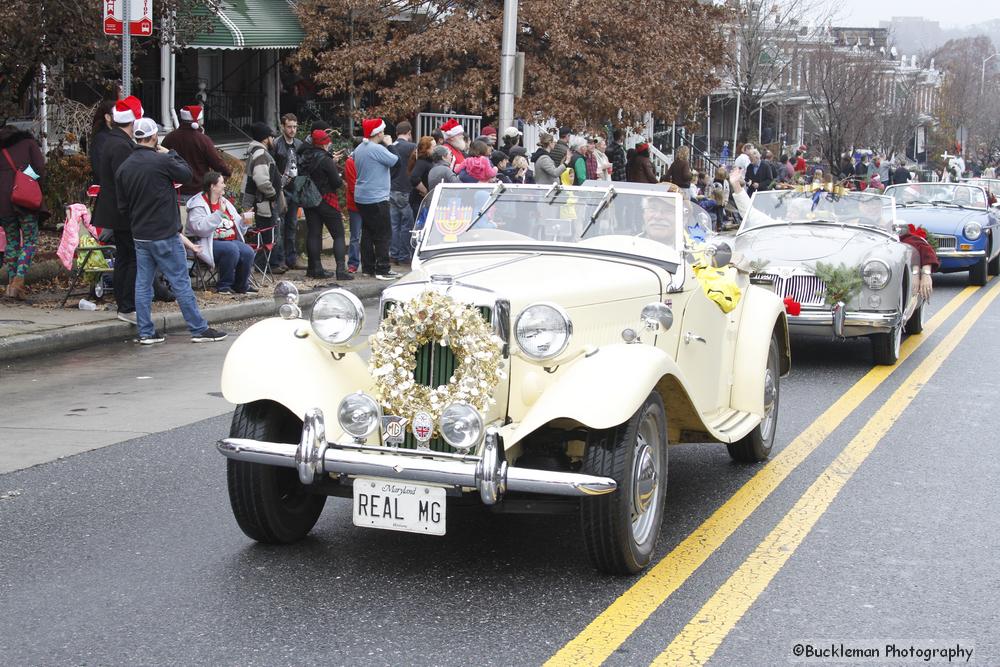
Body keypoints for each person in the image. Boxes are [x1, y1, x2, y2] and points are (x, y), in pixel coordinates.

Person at [116, 117, 227, 345]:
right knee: (180, 282)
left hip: (140, 233)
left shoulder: (125, 167)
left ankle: (146, 332)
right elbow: (187, 175)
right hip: (164, 232)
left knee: (143, 284)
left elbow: (123, 206)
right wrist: (171, 153)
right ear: (154, 136)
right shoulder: (161, 161)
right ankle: (198, 329)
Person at [93, 95, 143, 323]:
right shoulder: (121, 145)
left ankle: (125, 304)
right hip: (123, 211)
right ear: (131, 123)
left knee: (125, 256)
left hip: (116, 210)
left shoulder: (113, 140)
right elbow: (127, 179)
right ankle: (127, 305)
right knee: (130, 257)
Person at [185, 171, 256, 294]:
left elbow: (237, 225)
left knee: (247, 251)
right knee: (231, 249)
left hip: (230, 240)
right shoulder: (198, 205)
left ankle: (241, 286)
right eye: (222, 183)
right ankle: (224, 286)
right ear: (212, 186)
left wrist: (244, 221)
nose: (225, 186)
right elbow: (200, 229)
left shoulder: (224, 202)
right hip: (206, 242)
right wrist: (219, 213)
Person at [297, 129, 351, 280]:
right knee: (339, 234)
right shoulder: (326, 160)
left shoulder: (305, 156)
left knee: (314, 233)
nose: (330, 143)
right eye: (328, 141)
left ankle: (315, 269)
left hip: (309, 199)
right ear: (324, 143)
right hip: (326, 199)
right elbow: (336, 182)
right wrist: (339, 176)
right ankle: (341, 271)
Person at [0, 126, 46, 300]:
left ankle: (11, 285)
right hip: (24, 199)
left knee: (11, 242)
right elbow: (40, 168)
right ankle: (19, 281)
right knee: (30, 240)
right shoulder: (28, 143)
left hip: (3, 203)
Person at [353, 118, 399, 280]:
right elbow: (395, 160)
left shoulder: (359, 148)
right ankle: (383, 268)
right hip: (377, 197)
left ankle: (368, 267)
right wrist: (390, 144)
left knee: (367, 233)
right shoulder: (375, 149)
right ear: (377, 133)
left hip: (361, 196)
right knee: (383, 233)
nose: (384, 134)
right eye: (383, 131)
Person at [161, 105, 232, 202]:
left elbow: (162, 159)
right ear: (196, 121)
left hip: (175, 192)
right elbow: (216, 162)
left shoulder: (170, 137)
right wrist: (227, 172)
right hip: (197, 192)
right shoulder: (203, 140)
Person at [242, 121, 286, 274]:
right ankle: (265, 266)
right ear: (265, 139)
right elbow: (261, 180)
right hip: (263, 203)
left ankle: (268, 265)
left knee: (264, 233)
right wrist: (273, 194)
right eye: (271, 137)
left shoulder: (255, 152)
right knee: (266, 234)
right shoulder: (261, 154)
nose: (273, 140)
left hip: (258, 202)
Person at [271, 113, 304, 270]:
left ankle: (292, 257)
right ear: (283, 127)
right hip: (281, 190)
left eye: (295, 127)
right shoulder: (277, 144)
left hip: (295, 188)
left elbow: (302, 164)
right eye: (289, 126)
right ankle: (280, 259)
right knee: (280, 225)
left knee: (292, 224)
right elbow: (272, 167)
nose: (292, 130)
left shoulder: (299, 144)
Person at [388, 121, 416, 265]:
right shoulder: (412, 147)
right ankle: (404, 255)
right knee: (407, 224)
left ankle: (393, 254)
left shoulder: (390, 146)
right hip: (405, 189)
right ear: (409, 132)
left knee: (394, 224)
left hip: (391, 188)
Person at [343, 140, 362, 273]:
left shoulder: (353, 160)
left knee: (358, 234)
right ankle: (353, 263)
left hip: (358, 201)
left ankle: (357, 263)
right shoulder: (351, 161)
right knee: (355, 235)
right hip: (357, 202)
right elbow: (352, 184)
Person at [87, 100, 115, 183]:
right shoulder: (101, 139)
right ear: (108, 117)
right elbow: (100, 168)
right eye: (117, 114)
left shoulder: (113, 136)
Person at [407, 136, 436, 217]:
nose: (436, 149)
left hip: (422, 201)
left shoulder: (428, 161)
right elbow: (414, 178)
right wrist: (425, 192)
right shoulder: (422, 162)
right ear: (426, 149)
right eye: (434, 147)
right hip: (419, 201)